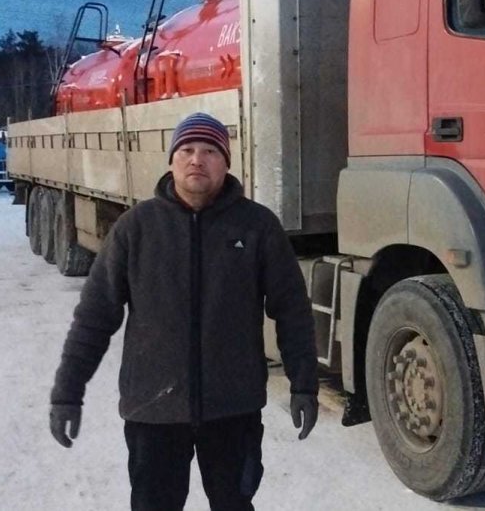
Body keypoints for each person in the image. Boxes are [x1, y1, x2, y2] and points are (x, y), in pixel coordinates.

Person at [48, 111, 318, 511]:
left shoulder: (257, 227)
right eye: (187, 150)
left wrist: (304, 384)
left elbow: (292, 311)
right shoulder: (135, 228)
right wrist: (67, 394)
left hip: (233, 410)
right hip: (153, 410)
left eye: (210, 151)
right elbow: (94, 317)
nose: (197, 159)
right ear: (172, 160)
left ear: (226, 163)